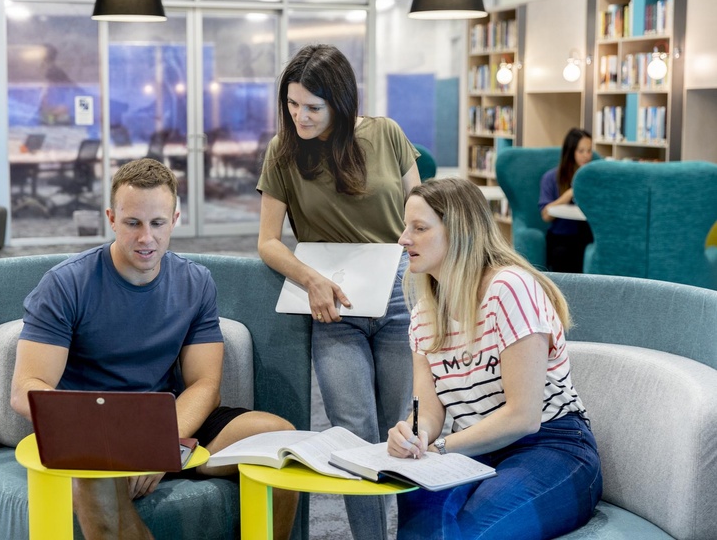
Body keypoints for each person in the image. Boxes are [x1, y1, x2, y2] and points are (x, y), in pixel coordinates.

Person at [10, 158, 298, 540]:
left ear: (174, 219)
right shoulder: (66, 284)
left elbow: (205, 384)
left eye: (158, 223)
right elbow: (26, 386)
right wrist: (95, 435)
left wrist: (157, 445)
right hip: (97, 428)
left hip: (167, 420)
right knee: (93, 481)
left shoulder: (196, 282)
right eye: (133, 223)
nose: (146, 238)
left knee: (280, 439)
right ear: (112, 218)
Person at [257, 44, 421, 540]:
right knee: (353, 431)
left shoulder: (386, 134)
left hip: (399, 296)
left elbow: (422, 212)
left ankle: (415, 532)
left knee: (405, 431)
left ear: (341, 102)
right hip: (332, 305)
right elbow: (267, 242)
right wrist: (310, 278)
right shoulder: (283, 152)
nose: (299, 116)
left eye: (312, 107)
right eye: (291, 104)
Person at [388, 177, 602, 540]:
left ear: (459, 232)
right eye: (406, 227)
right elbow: (430, 408)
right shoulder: (424, 312)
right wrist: (414, 433)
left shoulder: (509, 289)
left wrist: (438, 447)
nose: (403, 239)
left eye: (419, 228)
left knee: (470, 533)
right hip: (473, 447)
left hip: (553, 446)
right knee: (420, 522)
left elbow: (523, 417)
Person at [539, 127, 594, 273]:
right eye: (581, 151)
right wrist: (568, 195)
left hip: (588, 236)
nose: (586, 156)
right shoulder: (551, 177)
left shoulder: (594, 178)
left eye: (589, 151)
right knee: (562, 254)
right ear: (570, 152)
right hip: (561, 238)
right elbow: (545, 215)